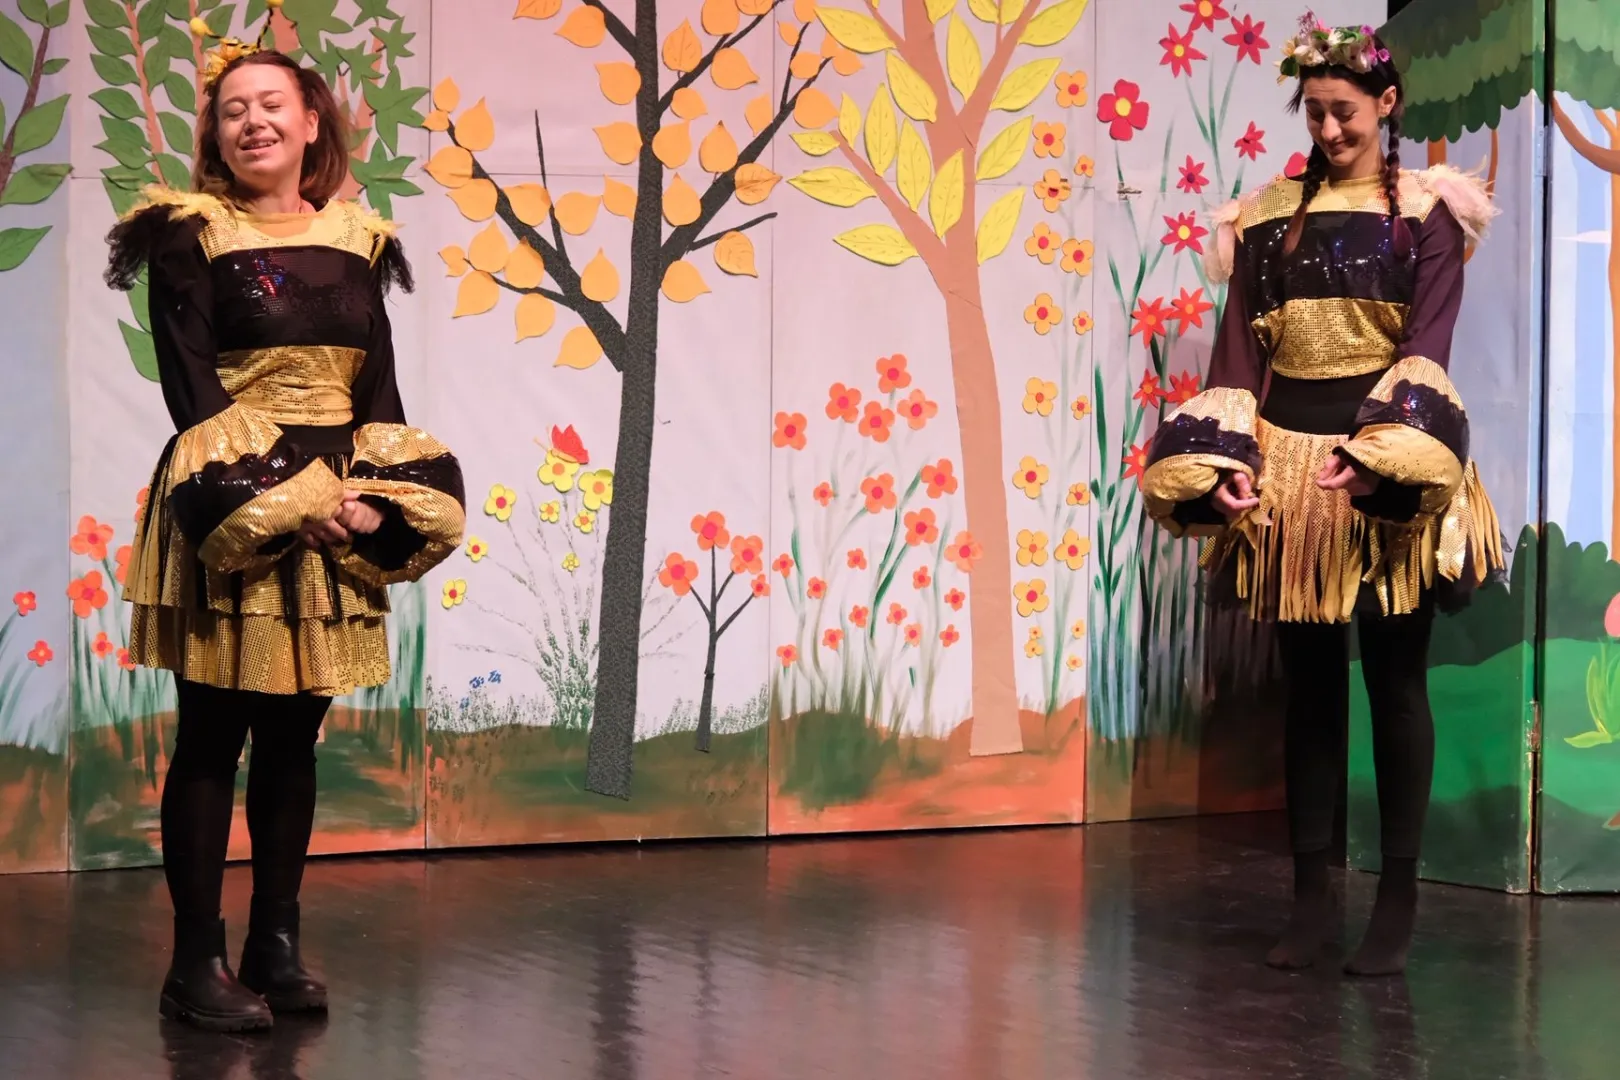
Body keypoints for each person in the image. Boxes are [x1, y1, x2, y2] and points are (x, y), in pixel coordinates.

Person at [104, 6, 464, 1031]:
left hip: (337, 517)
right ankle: (194, 965)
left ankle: (275, 945)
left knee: (295, 741)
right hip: (232, 505)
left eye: (270, 105)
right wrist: (294, 503)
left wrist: (371, 500)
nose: (251, 122)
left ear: (312, 122)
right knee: (212, 737)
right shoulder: (187, 236)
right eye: (231, 112)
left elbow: (378, 394)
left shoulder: (361, 240)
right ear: (215, 137)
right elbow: (193, 395)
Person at [1140, 14, 1502, 977]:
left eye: (1345, 111)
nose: (1330, 129)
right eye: (1315, 113)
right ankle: (1310, 899)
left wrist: (1385, 460)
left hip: (1384, 470)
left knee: (1394, 681)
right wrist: (1228, 462)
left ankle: (1397, 900)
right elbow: (1238, 353)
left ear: (1387, 104)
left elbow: (1427, 346)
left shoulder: (1424, 213)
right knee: (1308, 688)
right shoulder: (1264, 216)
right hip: (1289, 475)